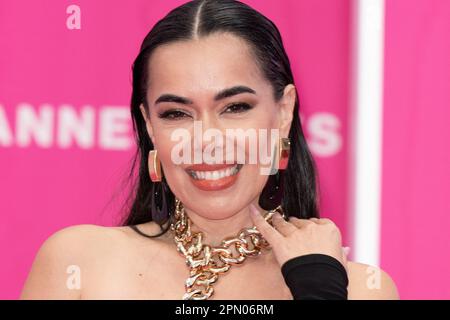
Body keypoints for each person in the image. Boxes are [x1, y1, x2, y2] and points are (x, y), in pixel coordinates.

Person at [21, 0, 398, 300]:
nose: (206, 140)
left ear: (284, 112)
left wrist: (316, 288)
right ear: (150, 125)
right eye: (176, 113)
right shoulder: (78, 262)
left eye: (234, 107)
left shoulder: (359, 289)